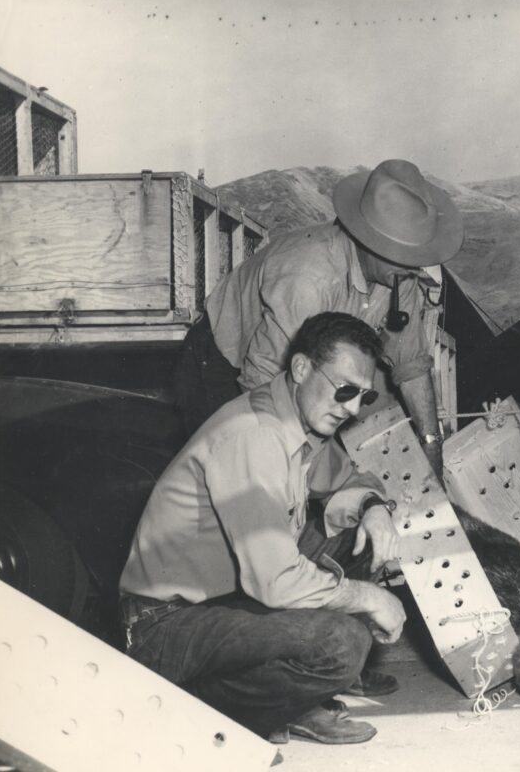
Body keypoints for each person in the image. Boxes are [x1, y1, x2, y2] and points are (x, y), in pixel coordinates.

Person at [120, 312, 407, 745]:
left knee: (359, 537)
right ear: (301, 368)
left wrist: (374, 507)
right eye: (345, 390)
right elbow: (275, 583)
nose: (351, 409)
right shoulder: (253, 436)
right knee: (342, 643)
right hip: (163, 626)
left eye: (363, 397)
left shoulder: (299, 420)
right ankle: (191, 704)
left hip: (227, 598)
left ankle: (286, 699)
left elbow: (349, 479)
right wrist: (370, 598)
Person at [173, 158, 463, 480]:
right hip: (222, 366)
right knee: (236, 475)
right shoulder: (309, 277)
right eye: (406, 259)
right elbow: (262, 384)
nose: (415, 269)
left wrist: (431, 449)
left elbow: (411, 368)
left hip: (303, 374)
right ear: (371, 242)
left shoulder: (400, 276)